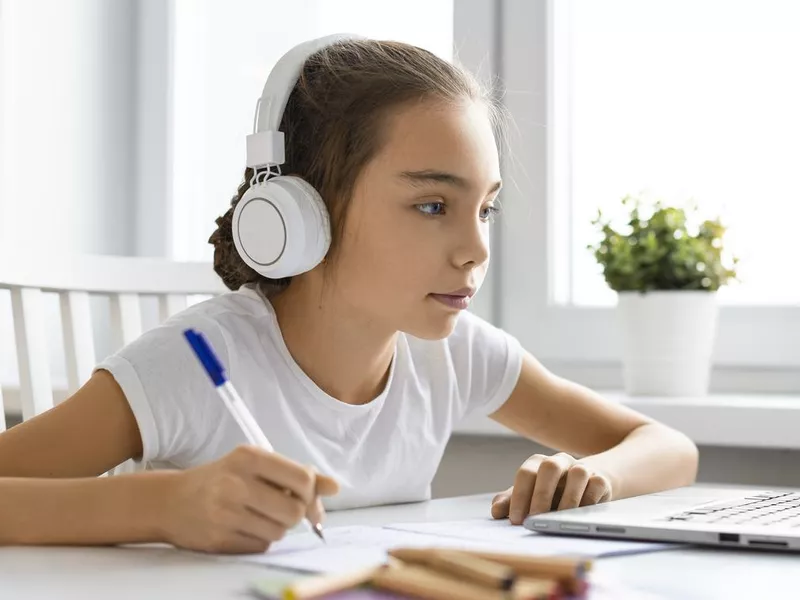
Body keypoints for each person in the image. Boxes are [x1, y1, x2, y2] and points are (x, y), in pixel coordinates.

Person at [0, 36, 698, 554]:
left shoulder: (456, 354)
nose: (476, 249)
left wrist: (594, 476)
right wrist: (159, 506)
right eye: (432, 205)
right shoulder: (192, 362)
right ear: (301, 214)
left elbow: (668, 448)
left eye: (485, 209)